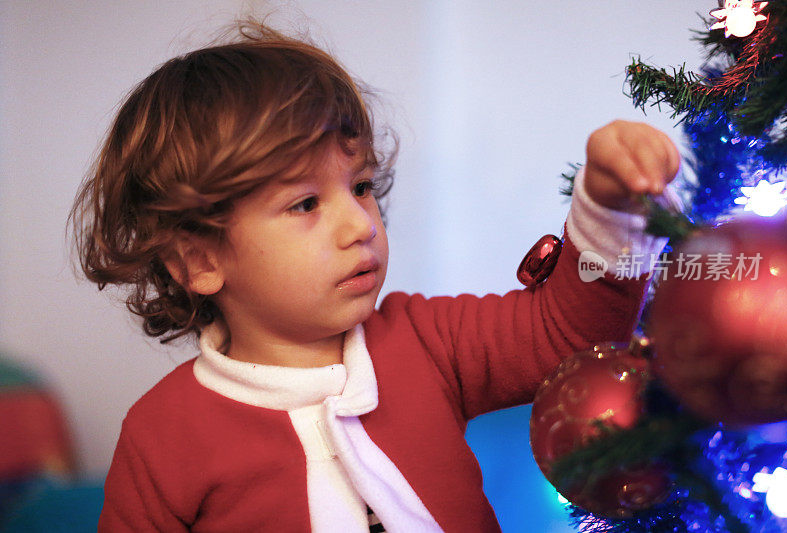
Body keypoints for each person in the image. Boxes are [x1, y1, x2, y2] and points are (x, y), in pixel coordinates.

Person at [70, 18, 680, 533]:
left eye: (359, 186)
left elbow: (567, 336)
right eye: (305, 203)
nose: (359, 223)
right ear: (199, 261)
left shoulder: (425, 340)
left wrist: (607, 209)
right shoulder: (162, 434)